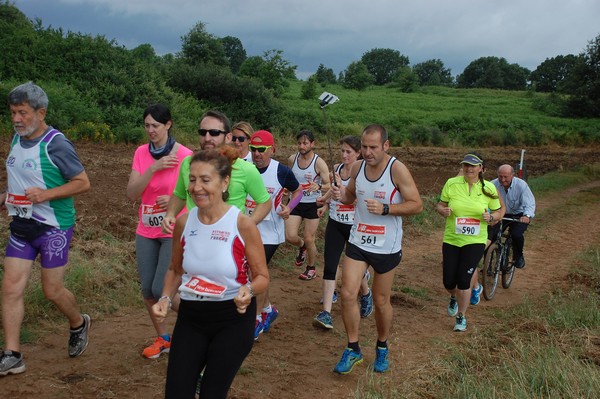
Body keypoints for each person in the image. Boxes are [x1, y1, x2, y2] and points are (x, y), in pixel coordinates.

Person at [152, 147, 269, 398]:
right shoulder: (184, 223)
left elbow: (262, 277)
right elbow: (175, 268)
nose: (197, 187)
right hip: (192, 316)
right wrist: (164, 297)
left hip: (232, 318)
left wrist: (247, 290)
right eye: (192, 180)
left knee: (211, 393)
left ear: (225, 182)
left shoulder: (241, 224)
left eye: (206, 180)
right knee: (176, 392)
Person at [0, 82, 91, 376]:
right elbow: (22, 179)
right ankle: (12, 353)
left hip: (54, 228)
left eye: (23, 113)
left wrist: (46, 195)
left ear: (41, 113)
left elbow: (83, 183)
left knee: (52, 291)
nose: (16, 119)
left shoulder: (57, 143)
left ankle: (78, 322)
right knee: (11, 288)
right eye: (13, 112)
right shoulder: (17, 139)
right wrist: (6, 196)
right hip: (22, 226)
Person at [330, 124, 423, 374]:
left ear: (386, 145)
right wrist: (341, 195)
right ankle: (353, 349)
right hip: (359, 241)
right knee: (348, 293)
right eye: (364, 147)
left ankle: (382, 345)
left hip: (386, 245)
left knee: (382, 302)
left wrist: (386, 208)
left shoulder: (397, 170)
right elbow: (351, 196)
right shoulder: (358, 167)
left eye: (373, 147)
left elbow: (417, 205)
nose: (367, 152)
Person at [126, 104, 192, 359]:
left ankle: (201, 322)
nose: (150, 130)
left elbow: (197, 192)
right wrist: (154, 168)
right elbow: (132, 193)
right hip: (146, 228)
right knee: (147, 291)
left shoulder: (185, 155)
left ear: (168, 125)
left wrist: (176, 201)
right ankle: (164, 338)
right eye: (147, 126)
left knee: (160, 289)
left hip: (174, 228)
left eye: (155, 125)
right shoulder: (141, 153)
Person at [160, 110, 271, 235]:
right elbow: (179, 195)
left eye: (214, 133)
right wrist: (170, 214)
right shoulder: (188, 163)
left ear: (228, 137)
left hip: (229, 243)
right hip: (193, 237)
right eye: (202, 132)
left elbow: (265, 202)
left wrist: (247, 225)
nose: (207, 138)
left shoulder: (246, 169)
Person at [436, 153, 502, 332]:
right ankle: (453, 296)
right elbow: (440, 204)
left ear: (481, 168)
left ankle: (461, 316)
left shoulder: (488, 188)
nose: (469, 169)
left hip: (475, 240)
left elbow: (498, 211)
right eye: (466, 165)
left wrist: (491, 217)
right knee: (449, 281)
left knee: (464, 280)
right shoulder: (451, 183)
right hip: (452, 238)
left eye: (473, 166)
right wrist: (442, 210)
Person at [247, 130, 302, 340]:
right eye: (253, 149)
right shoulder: (245, 168)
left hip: (271, 232)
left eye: (261, 150)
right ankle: (268, 310)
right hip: (249, 229)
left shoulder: (282, 171)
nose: (257, 154)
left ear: (272, 149)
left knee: (255, 274)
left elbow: (298, 192)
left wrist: (290, 207)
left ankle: (257, 319)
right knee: (257, 274)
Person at [314, 136, 372, 330]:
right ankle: (326, 313)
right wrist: (324, 200)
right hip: (336, 223)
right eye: (342, 151)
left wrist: (344, 192)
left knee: (354, 269)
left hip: (355, 226)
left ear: (358, 153)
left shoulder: (363, 173)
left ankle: (365, 294)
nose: (344, 155)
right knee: (330, 266)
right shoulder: (336, 169)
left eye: (349, 151)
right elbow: (334, 189)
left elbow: (359, 199)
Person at [286, 130, 330, 280]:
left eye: (305, 143)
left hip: (313, 203)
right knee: (290, 236)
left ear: (312, 144)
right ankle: (302, 246)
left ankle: (311, 268)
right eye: (299, 143)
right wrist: (286, 188)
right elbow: (289, 178)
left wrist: (318, 187)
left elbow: (329, 184)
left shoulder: (319, 162)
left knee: (310, 237)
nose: (301, 146)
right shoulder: (292, 159)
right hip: (296, 201)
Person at [489, 164, 536, 269]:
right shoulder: (492, 185)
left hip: (519, 215)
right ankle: (488, 262)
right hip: (500, 213)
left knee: (516, 234)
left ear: (513, 175)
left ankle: (518, 256)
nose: (502, 179)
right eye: (500, 176)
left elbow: (529, 203)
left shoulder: (521, 185)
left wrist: (527, 216)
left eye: (506, 177)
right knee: (491, 235)